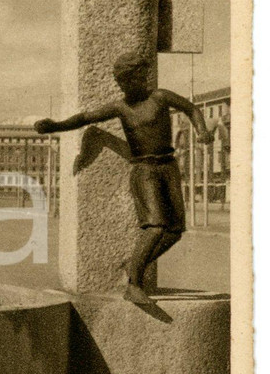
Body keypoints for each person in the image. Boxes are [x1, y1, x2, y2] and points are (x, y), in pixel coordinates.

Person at [34, 52, 213, 304]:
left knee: (175, 231)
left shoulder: (160, 97)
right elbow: (86, 118)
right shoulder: (120, 108)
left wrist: (202, 130)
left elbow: (191, 108)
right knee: (156, 226)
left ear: (142, 77)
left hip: (168, 167)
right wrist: (55, 126)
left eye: (130, 80)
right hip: (145, 171)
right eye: (121, 82)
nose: (125, 86)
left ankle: (134, 264)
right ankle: (134, 285)